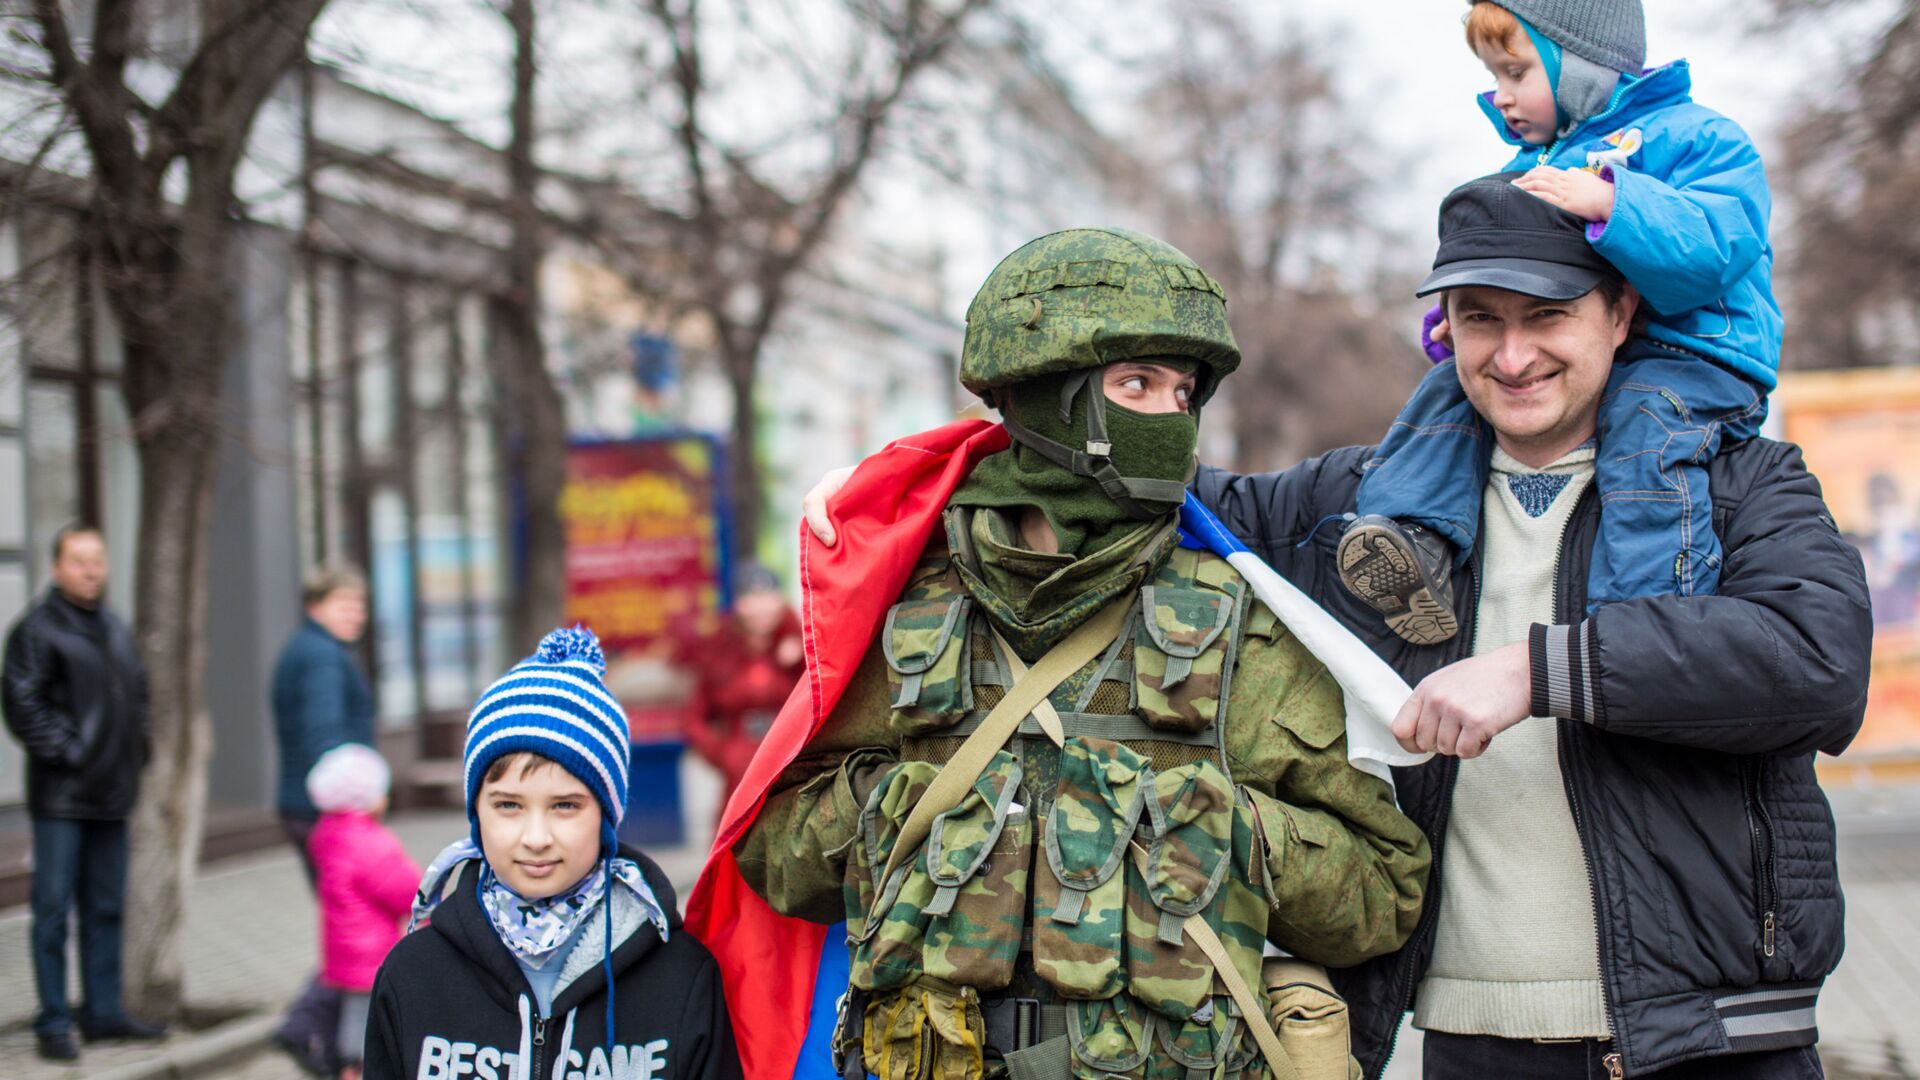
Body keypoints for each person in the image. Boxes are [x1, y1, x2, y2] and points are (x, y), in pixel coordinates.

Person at [802, 185, 1871, 1078]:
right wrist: (884, 520)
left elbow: (1817, 662)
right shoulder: (1356, 503)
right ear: (1445, 327)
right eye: (1481, 320)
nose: (1513, 356)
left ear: (1619, 315)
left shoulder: (1738, 485)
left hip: (1711, 1040)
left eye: (1548, 318)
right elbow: (1123, 478)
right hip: (1467, 1040)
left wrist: (1539, 671)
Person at [742, 227, 1432, 1080]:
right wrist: (909, 815)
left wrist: (1221, 829)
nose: (1171, 419)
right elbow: (773, 852)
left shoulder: (1230, 621)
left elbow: (1380, 894)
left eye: (1184, 394)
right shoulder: (905, 604)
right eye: (1136, 384)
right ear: (1044, 397)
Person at [1338, 0, 1781, 646]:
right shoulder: (1541, 162)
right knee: (1450, 392)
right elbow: (1501, 267)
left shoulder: (1697, 138)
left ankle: (1646, 613)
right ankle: (1414, 539)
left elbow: (1718, 246)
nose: (1502, 97)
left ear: (1580, 63)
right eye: (1494, 77)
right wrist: (1465, 321)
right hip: (1607, 354)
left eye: (1516, 73)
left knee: (1646, 427)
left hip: (1697, 356)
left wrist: (1614, 201)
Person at [361, 627, 741, 1080]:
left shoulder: (680, 976)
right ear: (475, 813)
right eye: (508, 806)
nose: (536, 837)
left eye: (565, 806)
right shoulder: (413, 975)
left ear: (606, 814)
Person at [2, 523, 165, 1061]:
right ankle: (53, 1020)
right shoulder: (36, 629)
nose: (91, 570)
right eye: (79, 560)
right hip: (63, 799)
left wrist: (135, 751)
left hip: (112, 794)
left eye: (98, 559)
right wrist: (73, 754)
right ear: (56, 567)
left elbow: (137, 694)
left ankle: (103, 1013)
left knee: (106, 907)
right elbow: (23, 705)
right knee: (52, 912)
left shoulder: (114, 627)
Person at [272, 561, 376, 1075]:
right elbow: (326, 738)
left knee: (346, 925)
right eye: (344, 603)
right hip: (329, 813)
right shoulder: (322, 660)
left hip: (310, 810)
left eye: (360, 604)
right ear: (316, 606)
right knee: (357, 927)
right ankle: (304, 1026)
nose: (356, 613)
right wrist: (360, 795)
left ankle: (329, 1044)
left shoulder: (313, 650)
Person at [304, 743, 419, 1080]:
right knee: (367, 1019)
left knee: (352, 1013)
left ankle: (347, 1064)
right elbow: (407, 892)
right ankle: (358, 1067)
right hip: (371, 952)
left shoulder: (328, 834)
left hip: (342, 947)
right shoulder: (371, 844)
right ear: (366, 799)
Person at [680, 562, 803, 815]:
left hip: (795, 768)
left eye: (768, 596)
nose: (761, 607)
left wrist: (799, 661)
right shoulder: (721, 650)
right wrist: (723, 754)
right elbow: (694, 720)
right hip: (741, 775)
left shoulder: (801, 642)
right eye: (751, 598)